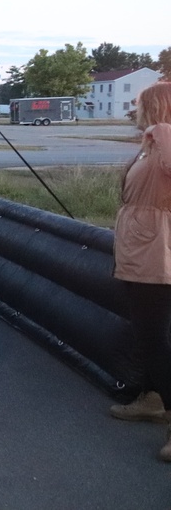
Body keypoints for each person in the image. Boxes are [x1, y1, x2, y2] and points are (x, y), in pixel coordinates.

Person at [110, 81, 171, 462]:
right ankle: (150, 399)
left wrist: (163, 130)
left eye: (141, 106)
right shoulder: (149, 146)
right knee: (145, 333)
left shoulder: (164, 138)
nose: (136, 113)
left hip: (155, 255)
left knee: (153, 338)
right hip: (137, 251)